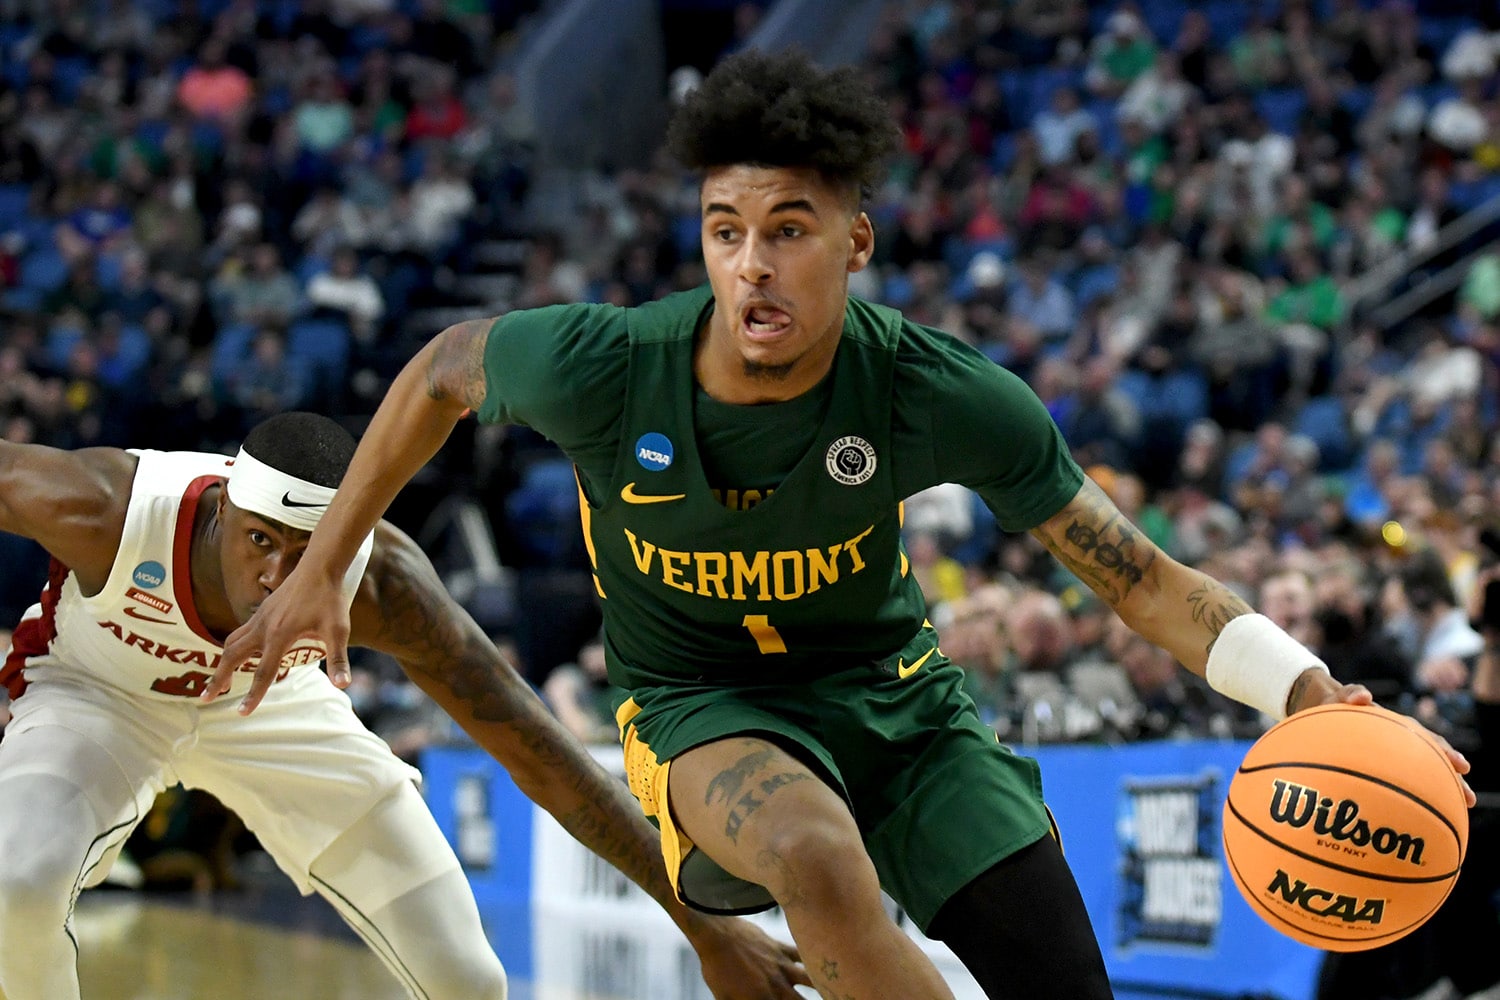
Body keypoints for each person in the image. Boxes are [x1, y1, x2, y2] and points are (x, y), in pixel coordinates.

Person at [212, 51, 1474, 1000]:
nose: (751, 264)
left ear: (855, 241)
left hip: (902, 706)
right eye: (725, 232)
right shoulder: (603, 364)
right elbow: (439, 368)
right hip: (704, 706)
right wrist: (328, 565)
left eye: (789, 230)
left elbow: (1135, 576)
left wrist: (1301, 684)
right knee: (813, 851)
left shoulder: (939, 390)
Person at [0, 411, 807, 1000]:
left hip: (274, 707)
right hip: (99, 694)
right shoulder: (107, 508)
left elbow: (539, 750)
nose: (283, 579)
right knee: (16, 884)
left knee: (468, 978)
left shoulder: (383, 584)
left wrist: (703, 923)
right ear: (221, 511)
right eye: (259, 542)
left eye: (310, 552)